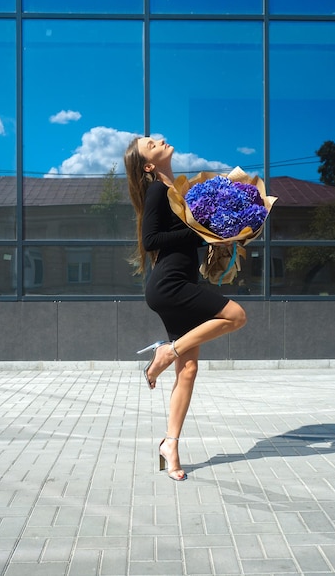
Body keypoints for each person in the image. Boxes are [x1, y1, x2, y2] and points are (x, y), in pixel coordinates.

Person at [124, 136, 247, 481]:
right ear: (148, 165)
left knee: (189, 370)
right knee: (236, 316)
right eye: (150, 143)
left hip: (183, 283)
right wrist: (197, 234)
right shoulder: (156, 192)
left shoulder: (178, 190)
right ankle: (165, 354)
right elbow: (151, 241)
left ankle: (170, 445)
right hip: (169, 285)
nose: (158, 139)